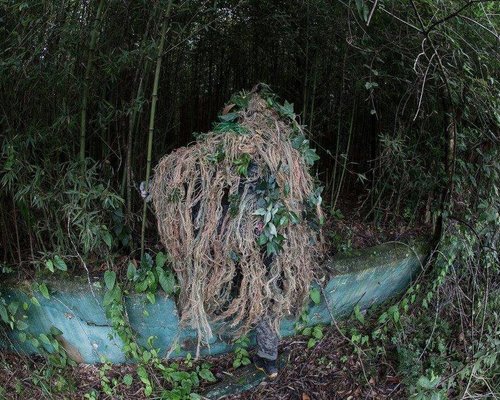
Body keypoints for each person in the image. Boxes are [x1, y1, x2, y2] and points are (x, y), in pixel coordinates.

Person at [140, 178, 280, 379]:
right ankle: (269, 359)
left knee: (260, 301)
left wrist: (155, 192)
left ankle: (268, 358)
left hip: (250, 259)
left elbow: (189, 205)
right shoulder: (258, 198)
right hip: (248, 257)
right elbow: (189, 202)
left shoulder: (234, 204)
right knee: (263, 302)